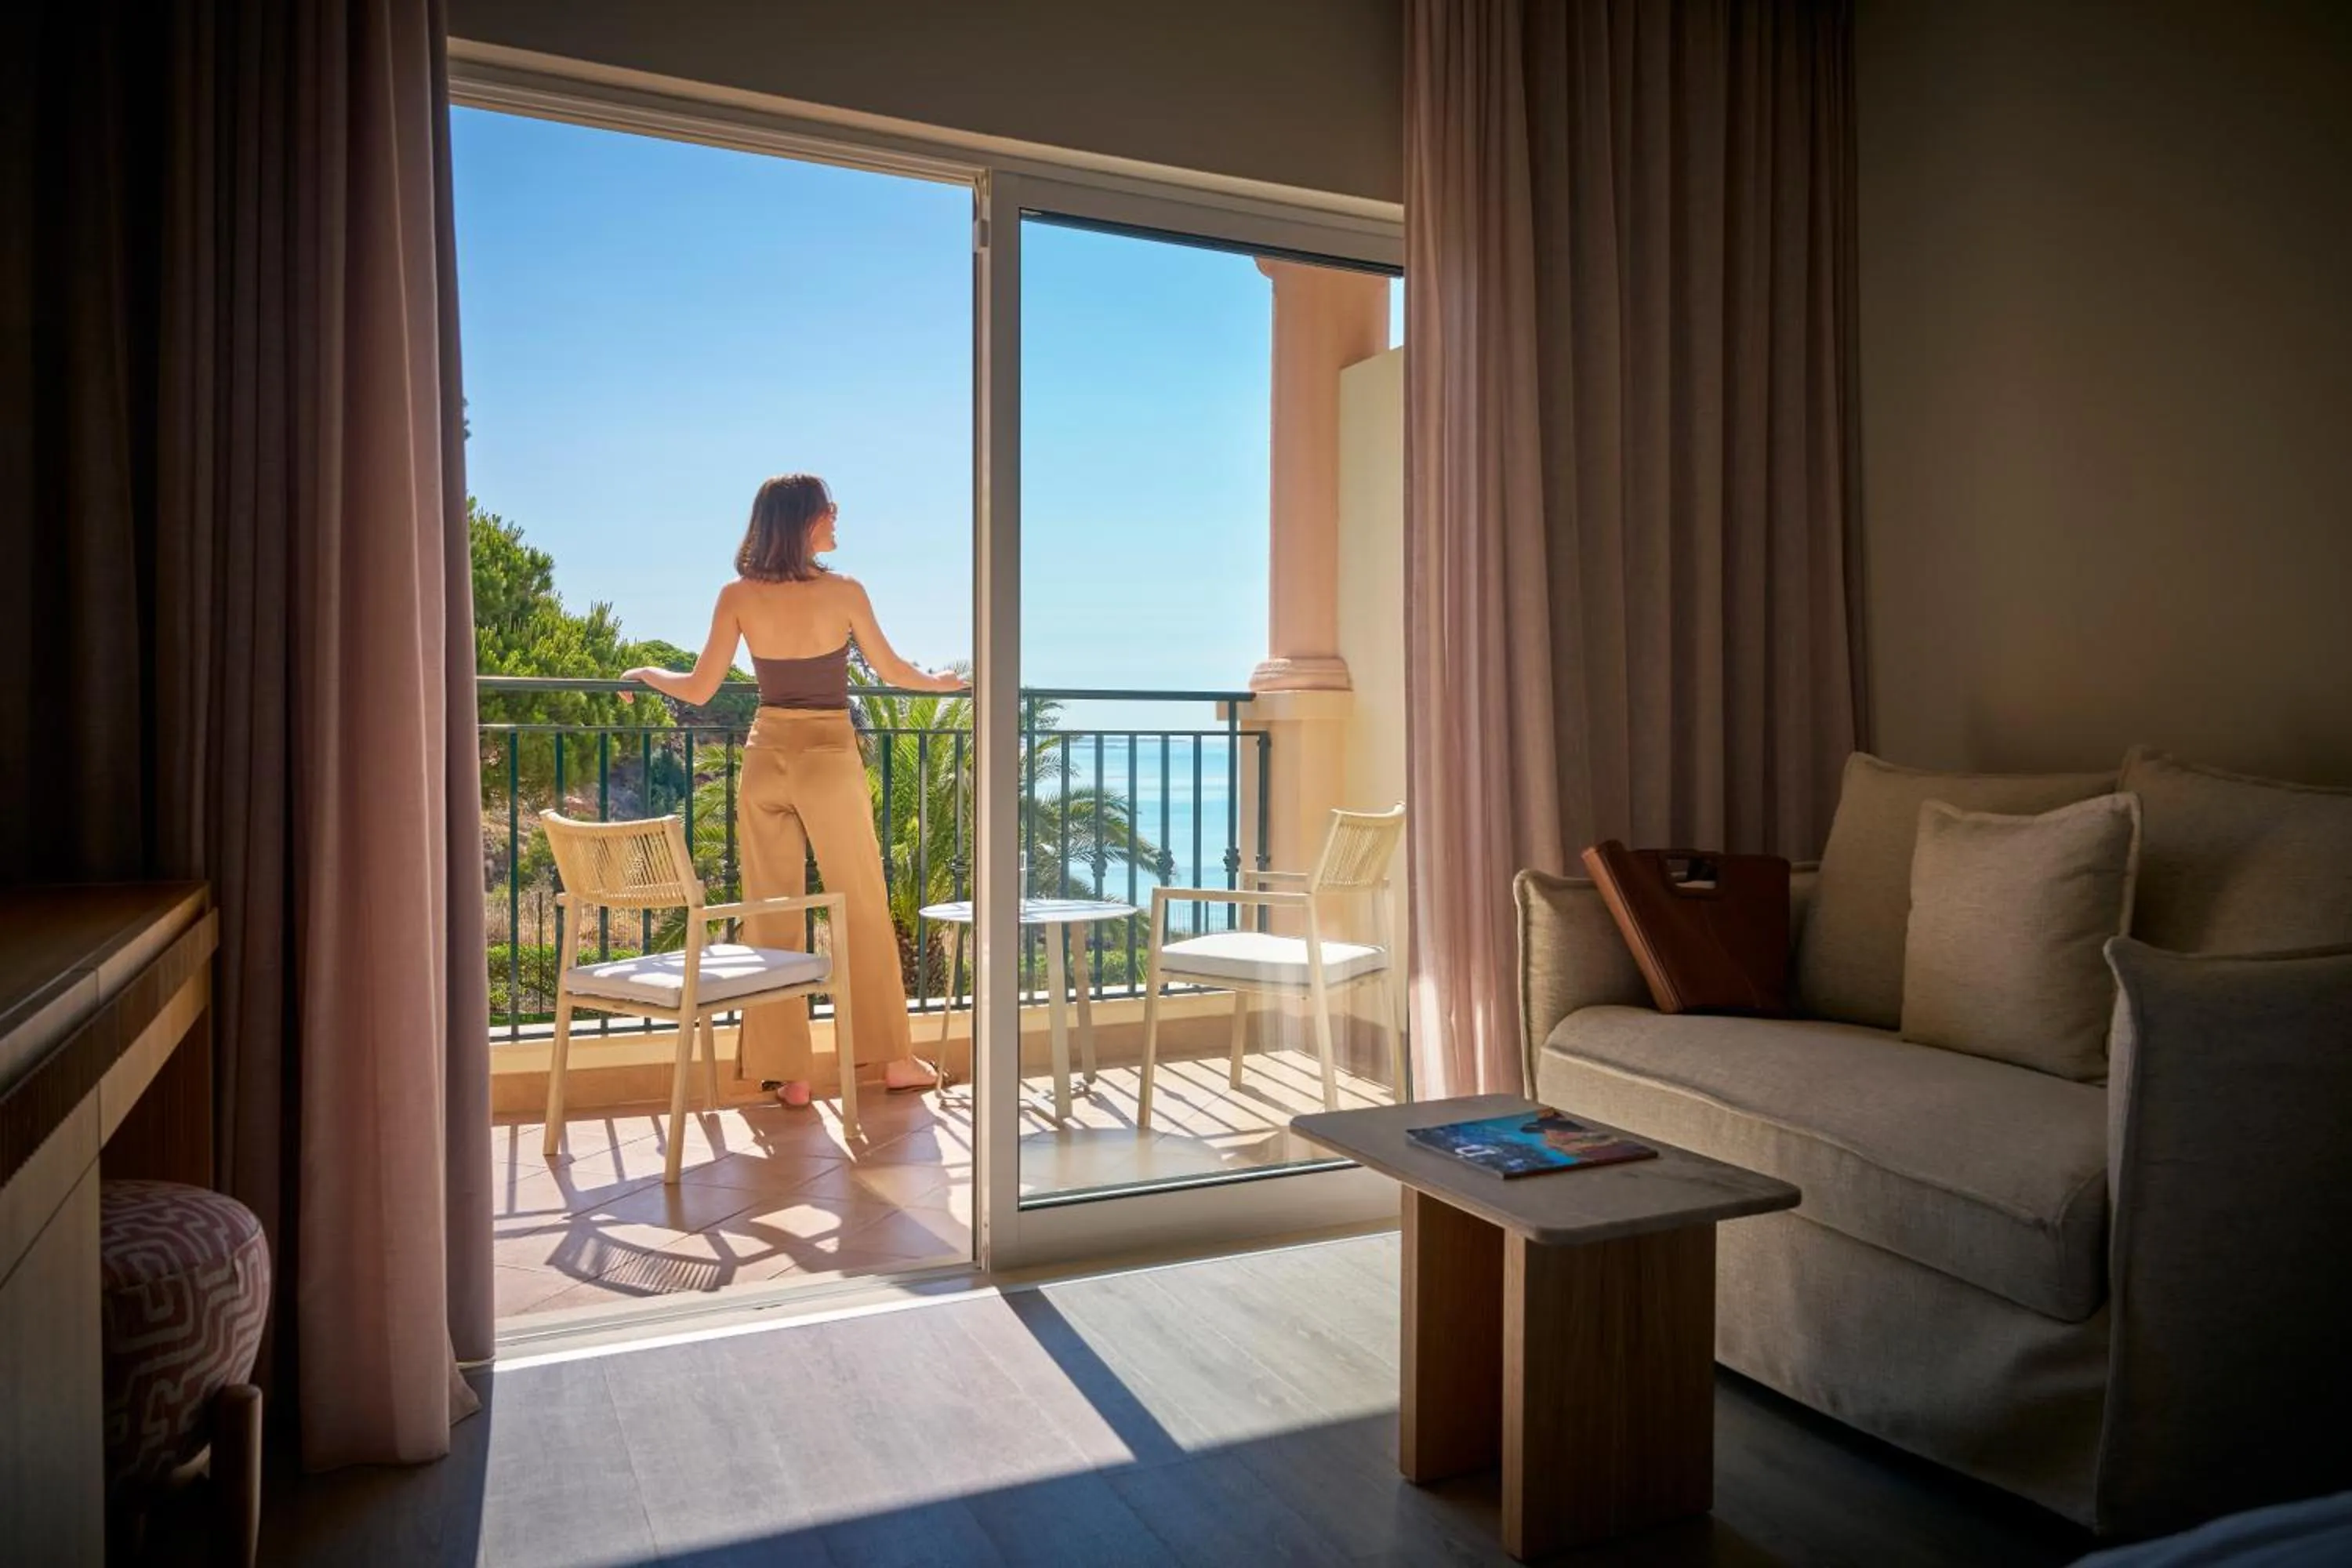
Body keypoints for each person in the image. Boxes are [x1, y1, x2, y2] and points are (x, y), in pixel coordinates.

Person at [623, 473, 964, 1109]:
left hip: (765, 757)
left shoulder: (736, 596)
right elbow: (893, 672)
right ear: (803, 520)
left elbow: (698, 688)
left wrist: (646, 671)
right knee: (859, 902)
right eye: (827, 509)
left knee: (771, 909)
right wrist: (944, 684)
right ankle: (892, 1059)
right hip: (828, 756)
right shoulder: (846, 592)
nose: (837, 516)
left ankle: (789, 1073)